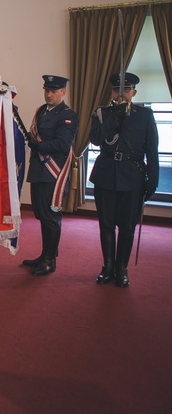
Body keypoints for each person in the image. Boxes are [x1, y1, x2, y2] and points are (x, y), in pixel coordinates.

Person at [89, 72, 158, 288]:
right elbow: (95, 139)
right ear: (111, 91)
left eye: (126, 90)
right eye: (117, 90)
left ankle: (122, 269)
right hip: (106, 174)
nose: (121, 94)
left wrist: (153, 181)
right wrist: (113, 118)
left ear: (133, 92)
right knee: (106, 225)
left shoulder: (145, 115)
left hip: (133, 177)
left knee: (128, 227)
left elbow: (152, 150)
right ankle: (108, 266)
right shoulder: (102, 113)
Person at [22, 75, 78, 276]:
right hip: (38, 170)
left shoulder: (67, 115)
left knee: (51, 217)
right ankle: (45, 254)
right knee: (41, 214)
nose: (49, 94)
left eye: (53, 91)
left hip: (53, 173)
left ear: (63, 92)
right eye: (46, 90)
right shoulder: (41, 112)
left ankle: (50, 260)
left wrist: (39, 146)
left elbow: (63, 144)